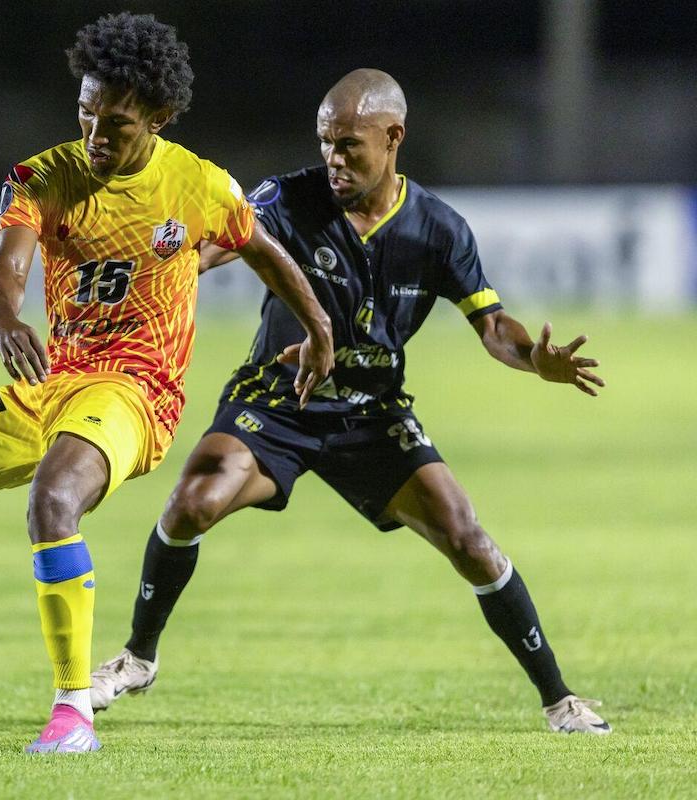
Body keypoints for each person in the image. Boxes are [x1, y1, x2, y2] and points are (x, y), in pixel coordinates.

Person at [0, 12, 334, 754]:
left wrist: (320, 331)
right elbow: (6, 268)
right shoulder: (45, 175)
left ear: (159, 118)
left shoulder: (196, 185)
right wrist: (6, 319)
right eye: (85, 113)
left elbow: (264, 251)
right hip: (53, 382)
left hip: (135, 393)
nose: (96, 134)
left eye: (117, 123)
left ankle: (72, 712)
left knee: (53, 497)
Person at [91, 68, 612, 735]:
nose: (333, 159)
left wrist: (534, 360)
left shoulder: (438, 230)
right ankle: (138, 657)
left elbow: (494, 327)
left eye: (349, 145)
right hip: (277, 400)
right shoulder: (288, 198)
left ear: (393, 138)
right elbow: (220, 244)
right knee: (192, 500)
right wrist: (162, 263)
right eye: (325, 142)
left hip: (372, 412)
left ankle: (560, 699)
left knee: (468, 537)